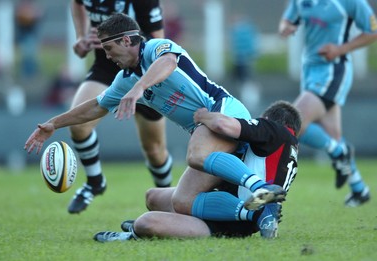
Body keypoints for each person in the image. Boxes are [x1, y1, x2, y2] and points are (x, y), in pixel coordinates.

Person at [24, 13, 286, 231]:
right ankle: (257, 215)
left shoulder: (156, 47)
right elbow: (95, 107)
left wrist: (139, 88)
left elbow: (168, 64)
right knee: (183, 201)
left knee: (196, 154)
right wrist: (54, 124)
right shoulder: (124, 79)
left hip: (222, 111)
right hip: (203, 131)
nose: (107, 56)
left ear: (126, 40)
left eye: (108, 48)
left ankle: (261, 188)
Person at [92, 100, 301, 241]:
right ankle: (257, 210)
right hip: (234, 204)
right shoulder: (289, 151)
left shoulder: (272, 129)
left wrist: (203, 116)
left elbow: (224, 124)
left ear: (268, 119)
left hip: (229, 221)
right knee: (153, 197)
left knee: (146, 223)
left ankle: (129, 237)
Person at [66, 0, 173, 214]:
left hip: (143, 72)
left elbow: (159, 43)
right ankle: (95, 182)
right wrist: (81, 36)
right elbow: (77, 4)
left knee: (154, 150)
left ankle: (167, 198)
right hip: (106, 68)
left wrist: (122, 44)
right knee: (79, 126)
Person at [279, 0, 377, 207]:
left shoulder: (351, 3)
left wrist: (341, 49)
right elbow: (287, 19)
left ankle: (338, 151)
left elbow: (373, 31)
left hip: (332, 71)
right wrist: (286, 27)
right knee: (333, 135)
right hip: (309, 71)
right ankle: (359, 188)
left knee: (293, 122)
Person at [14, 0, 43, 79]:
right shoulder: (20, 11)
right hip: (25, 36)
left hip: (30, 36)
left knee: (30, 55)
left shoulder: (32, 10)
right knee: (27, 55)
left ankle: (30, 74)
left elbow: (39, 17)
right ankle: (27, 74)